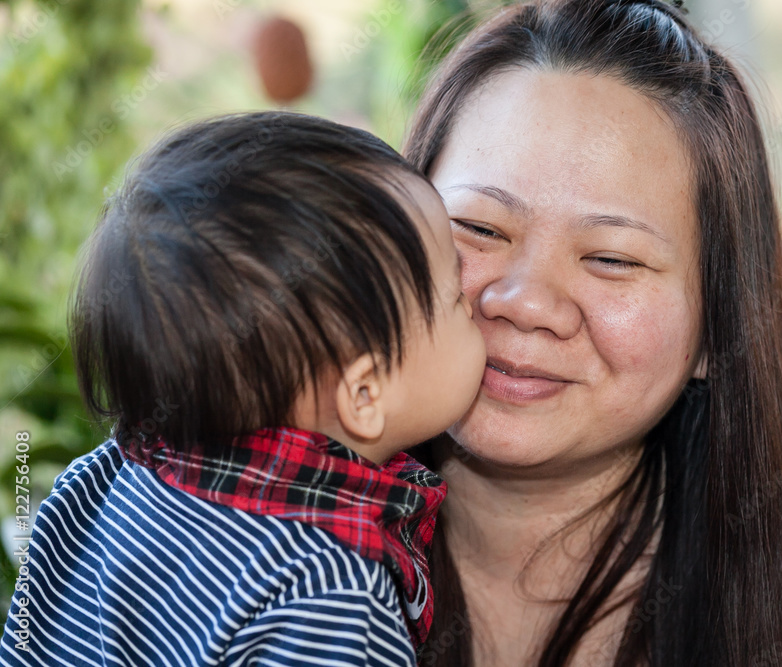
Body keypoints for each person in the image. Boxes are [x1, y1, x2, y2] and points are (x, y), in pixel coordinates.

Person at [403, 1, 782, 665]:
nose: (525, 302)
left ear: (717, 319)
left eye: (612, 259)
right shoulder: (304, 501)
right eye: (479, 227)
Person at [0, 111, 486, 666]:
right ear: (364, 395)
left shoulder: (102, 479)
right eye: (454, 298)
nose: (476, 304)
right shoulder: (331, 597)